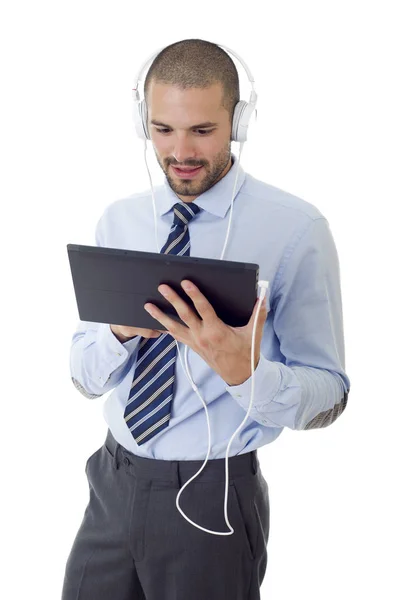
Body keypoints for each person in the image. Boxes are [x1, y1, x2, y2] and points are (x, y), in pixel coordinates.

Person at [61, 39, 351, 600]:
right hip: (110, 484)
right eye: (163, 129)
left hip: (209, 497)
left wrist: (244, 371)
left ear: (239, 122)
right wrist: (121, 334)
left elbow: (331, 396)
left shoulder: (295, 230)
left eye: (202, 130)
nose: (180, 151)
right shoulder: (120, 221)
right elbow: (82, 376)